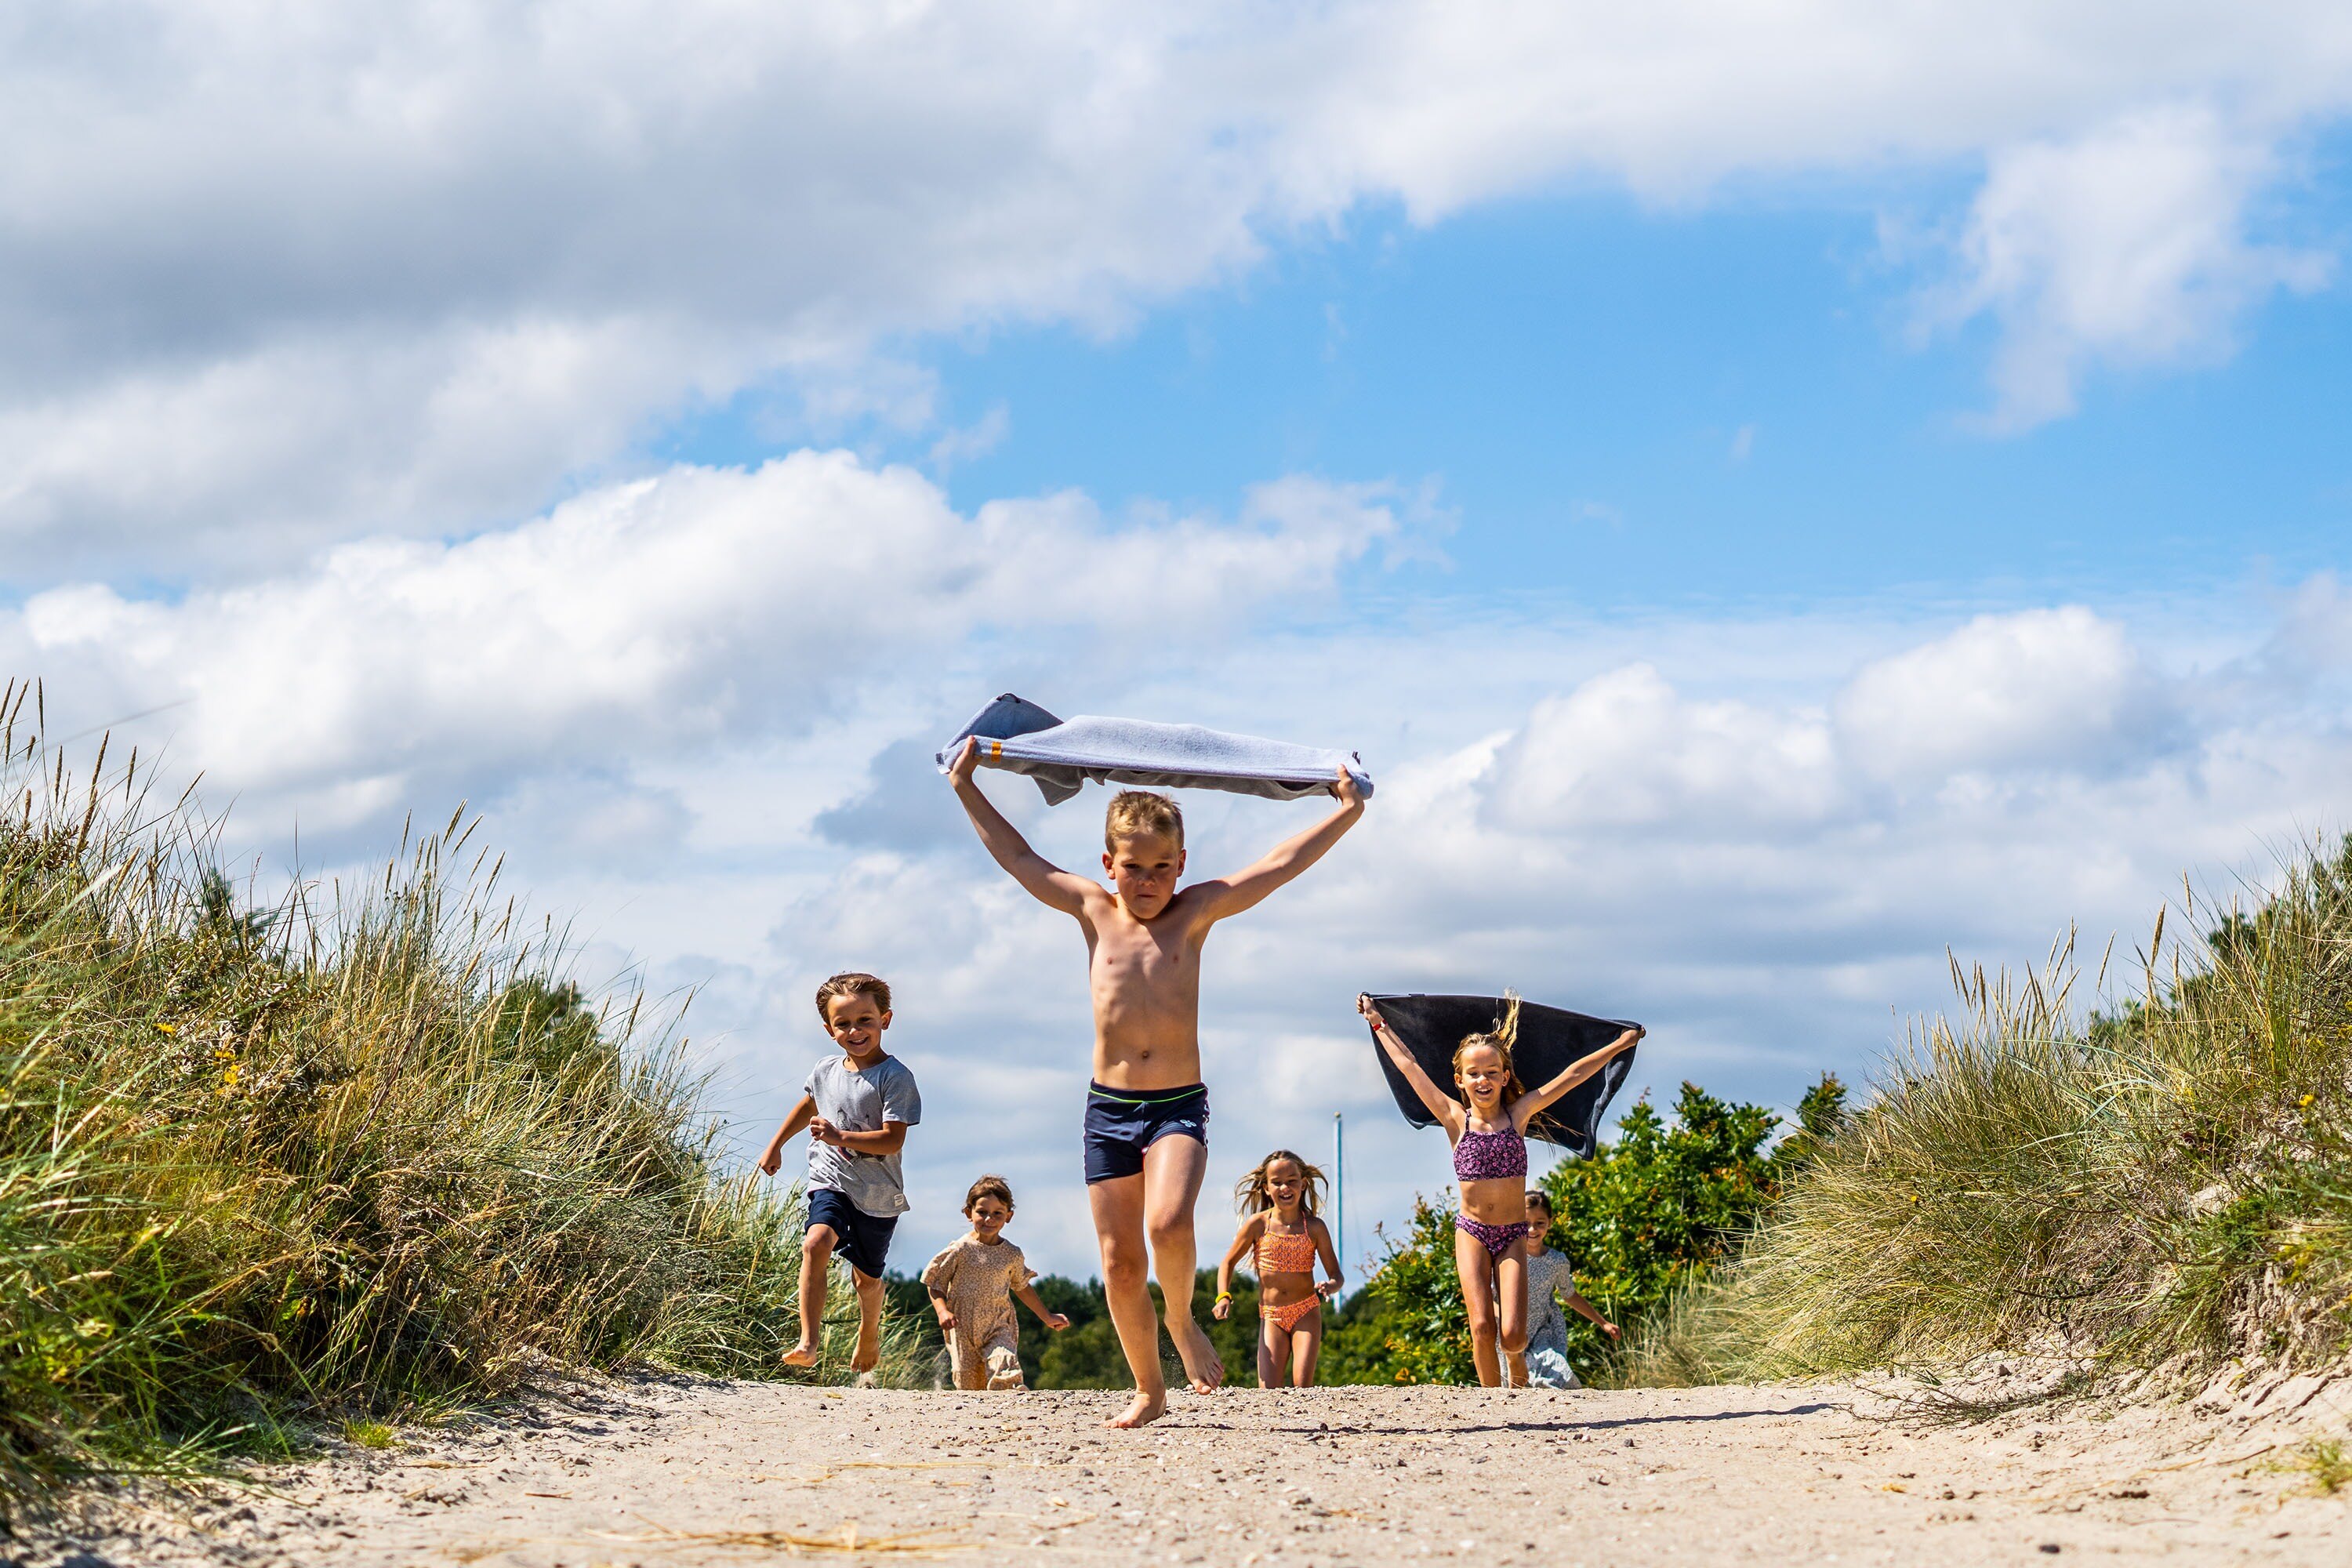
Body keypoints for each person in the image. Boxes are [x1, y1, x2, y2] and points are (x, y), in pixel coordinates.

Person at [949, 739, 1366, 1427]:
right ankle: (1149, 1388)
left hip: (1176, 1105)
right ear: (1108, 864)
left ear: (1182, 866)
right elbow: (1020, 858)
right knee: (1118, 1260)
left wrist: (1345, 812)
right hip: (1107, 1109)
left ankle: (1180, 1320)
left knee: (1168, 1222)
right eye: (1132, 868)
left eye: (1161, 870)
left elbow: (1278, 865)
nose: (1146, 883)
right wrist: (967, 784)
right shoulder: (1092, 909)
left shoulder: (1195, 912)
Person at [1359, 992, 1639, 1388]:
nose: (1483, 1080)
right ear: (1460, 1080)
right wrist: (1377, 1021)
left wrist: (1618, 1045)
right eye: (1474, 1073)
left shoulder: (1519, 1114)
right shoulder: (1455, 1118)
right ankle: (1492, 1404)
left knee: (1513, 1335)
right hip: (1472, 1233)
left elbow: (1573, 1076)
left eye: (1492, 1072)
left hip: (1512, 1235)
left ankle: (1517, 1370)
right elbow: (1408, 1066)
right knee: (1481, 1326)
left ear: (1505, 1076)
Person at [754, 972, 922, 1377]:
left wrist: (840, 1134)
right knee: (816, 1242)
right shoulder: (825, 1070)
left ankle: (869, 1330)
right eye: (843, 1023)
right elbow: (809, 1104)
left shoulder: (895, 1078)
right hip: (830, 1178)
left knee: (866, 1280)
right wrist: (776, 1143)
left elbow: (892, 1141)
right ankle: (808, 1342)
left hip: (879, 1193)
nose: (855, 1030)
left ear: (886, 1019)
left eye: (865, 1020)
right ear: (829, 1030)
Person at [920, 1175, 1071, 1390]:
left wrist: (1047, 1316)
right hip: (963, 1328)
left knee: (1005, 1362)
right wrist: (943, 1312)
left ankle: (1012, 1399)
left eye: (997, 1213)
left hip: (999, 1324)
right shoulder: (960, 1249)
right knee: (969, 1384)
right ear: (968, 1213)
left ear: (1008, 1216)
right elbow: (935, 1283)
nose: (989, 1219)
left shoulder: (1012, 1254)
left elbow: (1022, 1287)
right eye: (982, 1212)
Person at [1211, 1150, 1342, 1388]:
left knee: (1303, 1387)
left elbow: (1337, 1275)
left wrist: (1330, 1286)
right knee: (1268, 1393)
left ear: (1303, 1184)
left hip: (1306, 1312)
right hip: (1271, 1316)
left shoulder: (1314, 1227)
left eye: (1292, 1181)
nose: (1285, 1188)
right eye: (1277, 1182)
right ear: (1265, 1187)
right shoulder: (1258, 1225)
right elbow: (1227, 1263)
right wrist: (1223, 1296)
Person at [1507, 1189, 1619, 1389]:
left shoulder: (1557, 1261)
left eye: (1540, 1223)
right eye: (1525, 1223)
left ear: (1550, 1222)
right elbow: (1493, 1295)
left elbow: (1569, 1294)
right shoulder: (1508, 1258)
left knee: (1561, 1376)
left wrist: (1603, 1323)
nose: (1532, 1229)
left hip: (1542, 1330)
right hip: (1510, 1332)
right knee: (1515, 1385)